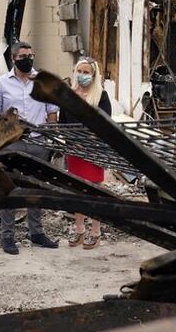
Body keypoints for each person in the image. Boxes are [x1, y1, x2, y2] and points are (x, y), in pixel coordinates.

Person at [0, 41, 59, 255]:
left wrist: (49, 138)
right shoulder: (1, 84)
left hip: (38, 143)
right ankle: (8, 236)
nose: (27, 59)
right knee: (9, 189)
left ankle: (36, 233)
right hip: (11, 145)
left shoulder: (42, 82)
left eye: (30, 55)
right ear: (14, 59)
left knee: (35, 189)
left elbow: (52, 114)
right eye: (23, 56)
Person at [58, 57, 111, 249]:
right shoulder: (68, 96)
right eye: (79, 71)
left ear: (94, 75)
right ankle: (79, 230)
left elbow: (106, 125)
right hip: (74, 152)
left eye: (87, 72)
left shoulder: (101, 96)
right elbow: (62, 124)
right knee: (76, 191)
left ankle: (96, 232)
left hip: (93, 152)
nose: (82, 75)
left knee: (95, 191)